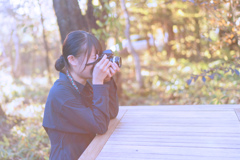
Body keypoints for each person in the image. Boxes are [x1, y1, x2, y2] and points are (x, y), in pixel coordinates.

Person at [42, 30, 120, 160]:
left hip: (90, 153)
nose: (97, 63)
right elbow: (100, 126)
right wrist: (98, 82)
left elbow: (111, 113)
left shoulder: (81, 85)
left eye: (98, 57)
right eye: (93, 58)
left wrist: (106, 81)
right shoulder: (61, 94)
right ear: (72, 59)